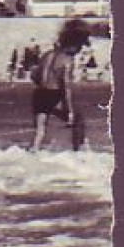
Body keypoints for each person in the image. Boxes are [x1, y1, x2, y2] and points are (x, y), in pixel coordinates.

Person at [30, 19, 90, 152]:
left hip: (39, 94)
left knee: (39, 131)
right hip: (54, 94)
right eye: (79, 47)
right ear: (73, 44)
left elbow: (34, 76)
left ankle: (34, 150)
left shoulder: (46, 55)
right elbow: (66, 88)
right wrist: (69, 111)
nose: (79, 50)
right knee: (78, 120)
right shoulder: (67, 60)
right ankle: (80, 151)